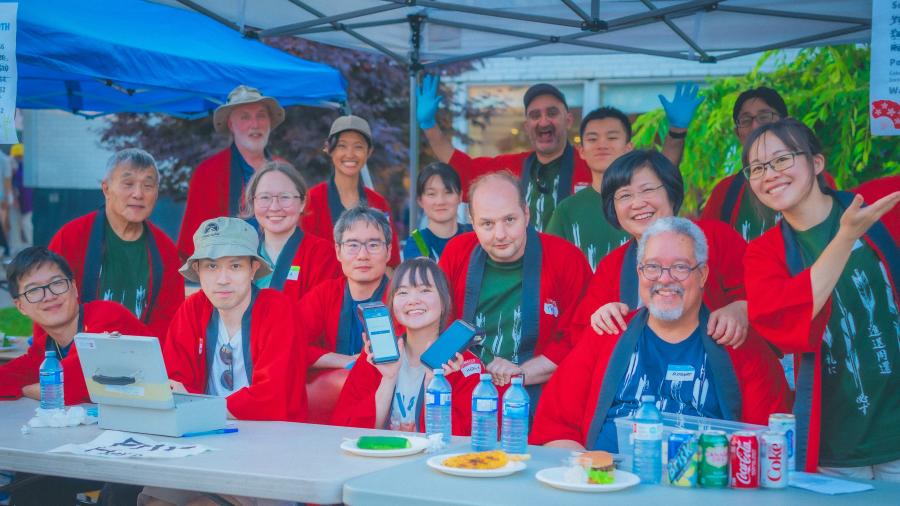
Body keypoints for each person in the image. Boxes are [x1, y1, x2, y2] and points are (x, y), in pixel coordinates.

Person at [531, 217, 791, 451]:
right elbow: (555, 428)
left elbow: (770, 446)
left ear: (703, 275)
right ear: (639, 273)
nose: (665, 280)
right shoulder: (608, 333)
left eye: (680, 267)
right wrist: (592, 477)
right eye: (652, 267)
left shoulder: (737, 342)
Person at [741, 118, 900, 479]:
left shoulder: (876, 209)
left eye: (782, 160)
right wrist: (845, 238)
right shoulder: (764, 254)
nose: (770, 174)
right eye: (757, 168)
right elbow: (782, 323)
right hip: (835, 442)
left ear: (816, 163)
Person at [416, 76, 701, 231]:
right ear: (527, 125)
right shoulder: (511, 167)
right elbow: (460, 167)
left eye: (552, 113)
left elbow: (655, 175)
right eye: (535, 115)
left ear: (567, 119)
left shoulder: (592, 160)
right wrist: (429, 125)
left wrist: (676, 133)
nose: (543, 121)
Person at [571, 150, 750, 352]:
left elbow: (756, 296)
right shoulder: (611, 265)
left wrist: (740, 309)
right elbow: (583, 336)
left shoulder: (716, 238)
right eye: (625, 195)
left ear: (671, 193)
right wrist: (600, 318)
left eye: (647, 190)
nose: (637, 204)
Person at [438, 172, 591, 397]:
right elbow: (439, 324)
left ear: (526, 214)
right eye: (487, 224)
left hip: (541, 397)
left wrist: (521, 373)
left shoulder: (566, 259)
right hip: (466, 391)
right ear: (472, 221)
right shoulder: (457, 252)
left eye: (509, 220)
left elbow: (582, 337)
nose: (500, 235)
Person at [163, 217, 306, 422]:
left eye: (236, 266)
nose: (223, 279)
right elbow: (175, 383)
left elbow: (271, 396)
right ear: (197, 270)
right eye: (211, 267)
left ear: (253, 269)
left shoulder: (278, 310)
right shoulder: (192, 309)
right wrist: (194, 405)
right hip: (203, 433)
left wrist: (198, 406)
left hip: (273, 438)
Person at [332, 258, 485, 433]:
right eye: (403, 293)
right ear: (392, 304)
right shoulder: (375, 358)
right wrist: (388, 379)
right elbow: (347, 431)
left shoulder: (463, 364)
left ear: (444, 302)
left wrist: (433, 384)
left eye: (425, 290)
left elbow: (465, 440)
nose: (413, 300)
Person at [49, 148, 184, 339]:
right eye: (128, 183)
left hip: (144, 358)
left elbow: (170, 321)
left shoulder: (166, 251)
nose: (138, 194)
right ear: (106, 189)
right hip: (76, 356)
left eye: (148, 185)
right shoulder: (70, 238)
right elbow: (47, 306)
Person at [0, 247, 150, 403]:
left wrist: (25, 390)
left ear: (74, 287)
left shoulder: (108, 316)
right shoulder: (48, 345)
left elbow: (70, 386)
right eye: (34, 290)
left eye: (57, 283)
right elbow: (5, 377)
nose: (49, 296)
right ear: (20, 306)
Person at [700, 87, 834, 241]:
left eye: (764, 116)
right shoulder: (725, 191)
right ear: (738, 133)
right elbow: (705, 246)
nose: (756, 126)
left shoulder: (815, 178)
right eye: (746, 120)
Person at [177, 85, 286, 260]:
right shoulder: (208, 173)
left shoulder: (285, 170)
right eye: (245, 117)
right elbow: (193, 245)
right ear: (231, 125)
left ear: (270, 123)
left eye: (261, 116)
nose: (255, 124)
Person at [299, 205, 392, 374]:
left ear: (389, 251)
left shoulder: (402, 297)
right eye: (353, 245)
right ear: (338, 251)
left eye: (373, 245)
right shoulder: (324, 295)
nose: (363, 255)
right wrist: (346, 361)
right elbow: (290, 345)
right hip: (333, 393)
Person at [301, 115, 401, 267]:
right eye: (342, 146)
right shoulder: (311, 200)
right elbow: (302, 259)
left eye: (358, 146)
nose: (350, 154)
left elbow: (391, 263)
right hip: (322, 289)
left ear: (369, 152)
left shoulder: (379, 204)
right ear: (328, 148)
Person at [545, 107, 632, 269]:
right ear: (582, 151)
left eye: (612, 137)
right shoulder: (567, 210)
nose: (602, 145)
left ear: (629, 148)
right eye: (592, 139)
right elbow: (550, 267)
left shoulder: (643, 205)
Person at [242, 160, 341, 299]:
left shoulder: (323, 255)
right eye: (265, 197)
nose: (275, 207)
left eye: (285, 197)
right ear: (253, 202)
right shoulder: (241, 254)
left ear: (302, 203)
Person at [402, 162, 472, 261]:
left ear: (460, 197)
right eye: (431, 194)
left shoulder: (474, 234)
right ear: (420, 200)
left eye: (448, 192)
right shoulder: (418, 241)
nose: (440, 201)